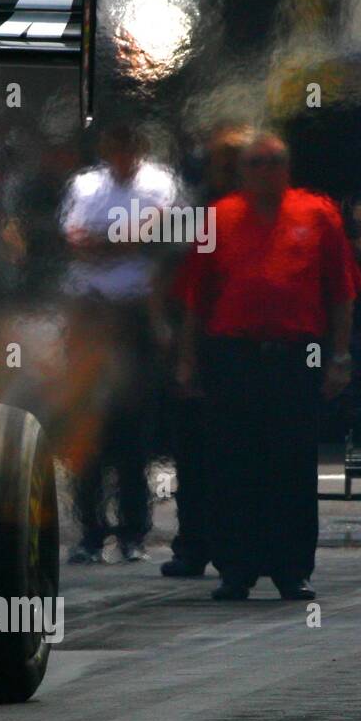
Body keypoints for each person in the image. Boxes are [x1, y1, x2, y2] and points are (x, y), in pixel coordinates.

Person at [176, 132, 361, 600]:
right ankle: (235, 568)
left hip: (295, 358)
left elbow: (342, 292)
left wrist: (339, 357)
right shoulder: (219, 218)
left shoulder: (316, 214)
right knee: (232, 466)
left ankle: (291, 568)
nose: (266, 171)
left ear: (287, 166)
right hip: (233, 357)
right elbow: (197, 300)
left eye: (274, 162)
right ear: (242, 171)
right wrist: (188, 359)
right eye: (256, 163)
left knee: (292, 465)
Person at [59, 121, 181, 565]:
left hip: (134, 320)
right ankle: (91, 532)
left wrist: (106, 243)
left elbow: (151, 236)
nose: (122, 149)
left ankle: (132, 533)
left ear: (140, 145)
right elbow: (74, 240)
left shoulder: (158, 183)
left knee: (132, 432)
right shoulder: (86, 185)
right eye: (116, 141)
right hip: (89, 317)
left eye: (129, 141)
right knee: (88, 429)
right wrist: (120, 242)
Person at [160, 124, 252, 578]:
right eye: (225, 160)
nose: (233, 169)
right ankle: (193, 544)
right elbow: (169, 279)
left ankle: (245, 546)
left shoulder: (263, 209)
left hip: (248, 346)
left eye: (242, 160)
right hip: (197, 343)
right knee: (193, 455)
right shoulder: (191, 212)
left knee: (244, 455)